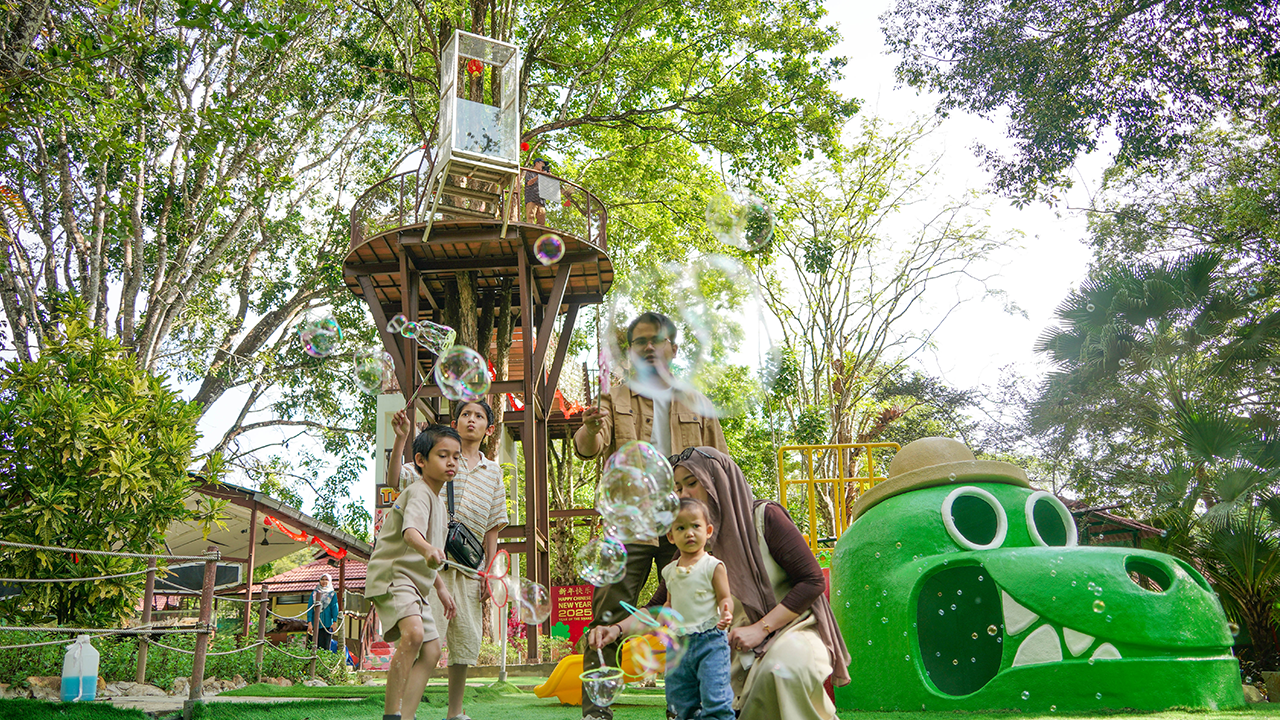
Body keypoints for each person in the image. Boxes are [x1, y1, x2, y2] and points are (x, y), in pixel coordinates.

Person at [573, 310, 729, 720]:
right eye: (639, 341)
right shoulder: (613, 399)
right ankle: (596, 709)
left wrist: (724, 521)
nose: (647, 347)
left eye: (655, 340)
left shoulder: (696, 401)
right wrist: (590, 427)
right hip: (630, 525)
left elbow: (721, 464)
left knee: (690, 614)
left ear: (672, 348)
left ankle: (684, 707)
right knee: (608, 613)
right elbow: (588, 447)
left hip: (685, 522)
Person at [638, 446, 850, 720]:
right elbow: (659, 605)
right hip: (729, 647)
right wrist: (615, 629)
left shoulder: (765, 517)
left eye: (692, 483)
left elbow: (812, 580)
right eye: (678, 488)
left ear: (717, 481)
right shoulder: (693, 545)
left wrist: (760, 629)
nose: (683, 494)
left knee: (780, 669)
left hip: (792, 629)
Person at [590, 497, 734, 720]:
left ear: (708, 531)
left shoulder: (713, 566)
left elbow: (725, 598)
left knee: (715, 697)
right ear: (670, 537)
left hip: (710, 641)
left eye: (695, 526)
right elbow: (667, 605)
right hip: (680, 643)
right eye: (681, 528)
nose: (689, 533)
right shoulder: (669, 571)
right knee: (680, 700)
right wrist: (661, 621)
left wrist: (726, 610)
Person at [366, 424, 460, 720]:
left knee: (432, 651)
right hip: (394, 575)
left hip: (416, 586)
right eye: (443, 455)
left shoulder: (439, 504)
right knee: (414, 635)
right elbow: (411, 534)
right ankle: (392, 715)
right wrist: (428, 549)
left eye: (456, 456)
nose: (451, 462)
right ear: (421, 460)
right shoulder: (419, 491)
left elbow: (430, 556)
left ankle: (407, 716)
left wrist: (441, 589)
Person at [426, 400, 508, 720]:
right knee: (426, 637)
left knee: (464, 642)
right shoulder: (444, 457)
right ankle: (406, 707)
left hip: (470, 566)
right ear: (455, 423)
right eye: (465, 415)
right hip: (434, 560)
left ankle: (455, 712)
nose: (470, 420)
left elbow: (493, 526)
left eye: (478, 416)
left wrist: (489, 572)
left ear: (489, 429)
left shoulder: (494, 472)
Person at [308, 574, 340, 651]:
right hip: (316, 624)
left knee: (326, 646)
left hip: (327, 624)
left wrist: (334, 622)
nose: (324, 581)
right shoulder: (314, 593)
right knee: (314, 646)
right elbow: (310, 608)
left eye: (326, 580)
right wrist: (309, 623)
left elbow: (334, 608)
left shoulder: (332, 594)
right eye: (322, 579)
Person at [524, 157, 549, 225]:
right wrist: (539, 175)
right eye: (542, 164)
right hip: (531, 198)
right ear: (537, 163)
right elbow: (529, 183)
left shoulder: (543, 175)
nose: (543, 166)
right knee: (530, 217)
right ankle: (530, 230)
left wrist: (548, 176)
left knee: (542, 220)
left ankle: (540, 232)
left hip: (541, 200)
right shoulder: (530, 172)